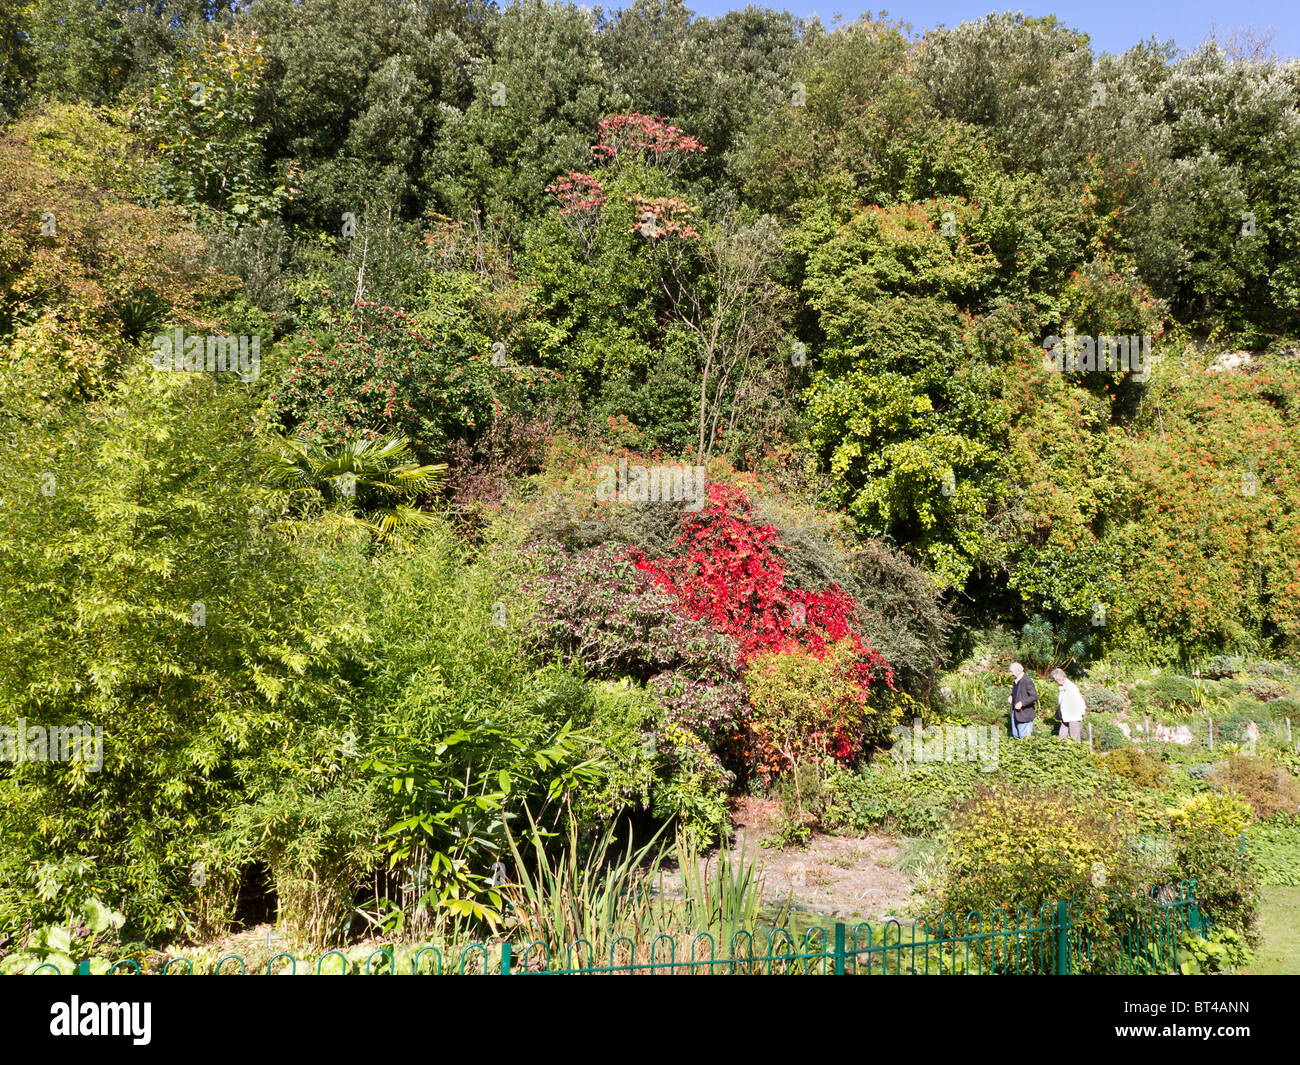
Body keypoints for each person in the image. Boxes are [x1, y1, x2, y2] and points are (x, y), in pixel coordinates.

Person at [1053, 667, 1085, 741]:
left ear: (1058, 679)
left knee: (1074, 739)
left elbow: (1079, 700)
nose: (1055, 681)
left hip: (1074, 716)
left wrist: (1082, 712)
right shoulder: (1062, 686)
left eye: (1055, 680)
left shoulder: (1070, 687)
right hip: (1066, 716)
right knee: (1061, 737)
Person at [1008, 662, 1037, 738]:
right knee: (1016, 736)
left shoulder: (1027, 681)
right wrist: (1011, 696)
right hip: (1015, 713)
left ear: (1018, 671)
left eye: (1012, 671)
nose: (1010, 674)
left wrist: (1022, 703)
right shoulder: (1016, 680)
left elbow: (1034, 696)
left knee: (1024, 739)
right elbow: (1017, 692)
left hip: (1024, 715)